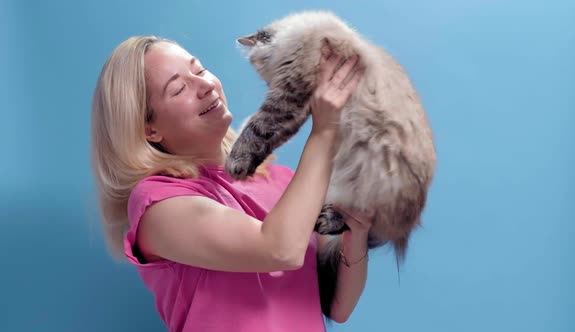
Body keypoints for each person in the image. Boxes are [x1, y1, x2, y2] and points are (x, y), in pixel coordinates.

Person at [91, 35, 370, 332]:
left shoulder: (284, 181)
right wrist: (325, 131)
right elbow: (280, 249)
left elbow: (338, 306)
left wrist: (357, 233)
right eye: (179, 88)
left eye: (199, 70)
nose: (206, 85)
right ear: (149, 129)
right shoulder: (157, 205)